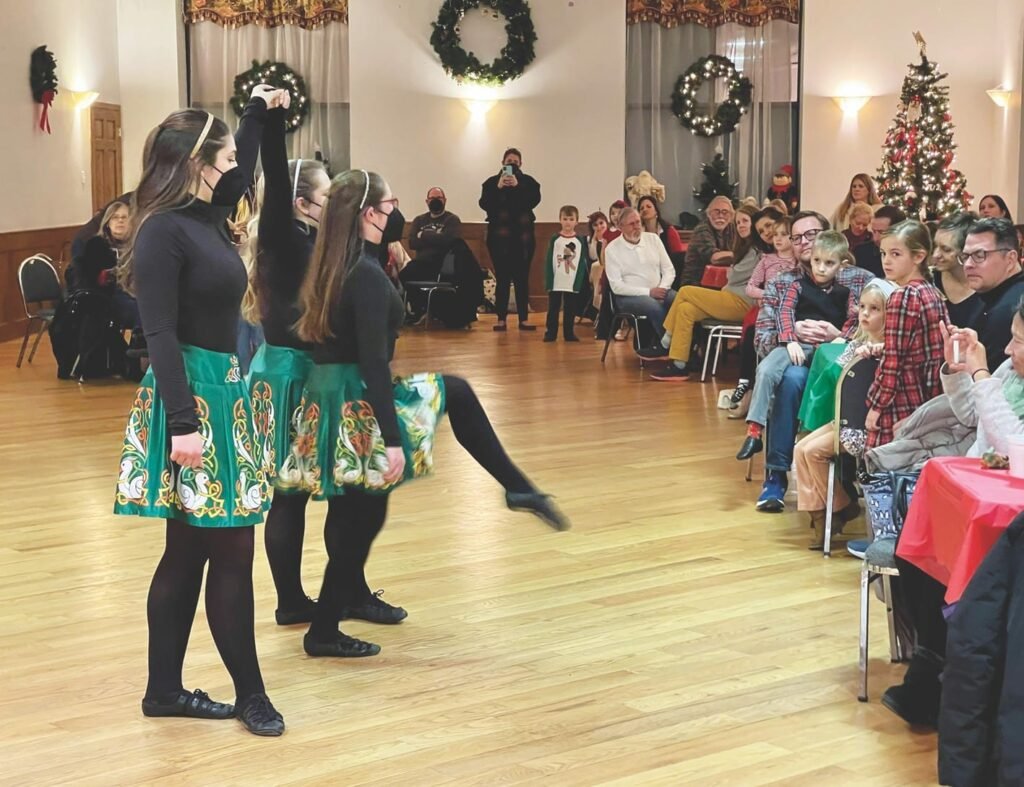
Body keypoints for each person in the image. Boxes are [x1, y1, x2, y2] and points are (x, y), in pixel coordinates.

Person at [286, 169, 569, 659]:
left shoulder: (334, 261)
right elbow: (375, 363)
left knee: (446, 402)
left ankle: (518, 487)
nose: (398, 211)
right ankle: (324, 630)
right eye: (391, 203)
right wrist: (392, 440)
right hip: (357, 397)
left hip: (332, 392)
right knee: (361, 514)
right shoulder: (364, 275)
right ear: (370, 214)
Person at [112, 86, 286, 736]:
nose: (229, 168)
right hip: (191, 400)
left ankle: (163, 690)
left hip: (224, 393)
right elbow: (157, 333)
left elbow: (245, 162)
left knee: (187, 552)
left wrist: (254, 115)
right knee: (232, 551)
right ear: (194, 164)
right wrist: (183, 424)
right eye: (218, 158)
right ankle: (252, 695)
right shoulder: (162, 230)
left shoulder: (209, 212)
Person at [868, 306, 1024, 730]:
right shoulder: (1012, 371)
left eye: (1019, 340)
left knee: (961, 576)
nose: (1009, 349)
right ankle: (933, 666)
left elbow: (1016, 451)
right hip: (977, 497)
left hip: (1009, 521)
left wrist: (982, 376)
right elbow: (974, 419)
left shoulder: (1000, 374)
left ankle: (938, 680)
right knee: (914, 555)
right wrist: (958, 371)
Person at [243, 99, 332, 628]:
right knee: (288, 494)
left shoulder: (305, 235)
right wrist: (273, 122)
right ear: (301, 202)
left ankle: (300, 597)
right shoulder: (282, 230)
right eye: (323, 197)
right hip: (285, 374)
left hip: (301, 367)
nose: (329, 205)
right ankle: (290, 600)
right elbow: (274, 179)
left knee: (297, 492)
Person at [752, 211, 874, 512]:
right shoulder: (782, 282)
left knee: (803, 380)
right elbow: (761, 339)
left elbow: (874, 330)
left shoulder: (861, 279)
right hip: (795, 363)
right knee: (792, 378)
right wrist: (791, 334)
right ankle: (776, 476)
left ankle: (842, 477)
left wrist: (840, 336)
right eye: (797, 237)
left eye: (812, 234)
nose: (805, 242)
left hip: (842, 368)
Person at [793, 279, 895, 548]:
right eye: (862, 306)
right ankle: (825, 514)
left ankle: (837, 508)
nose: (865, 313)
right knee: (800, 449)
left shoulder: (891, 351)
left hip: (866, 428)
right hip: (846, 420)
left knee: (813, 452)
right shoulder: (856, 343)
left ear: (890, 314)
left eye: (874, 309)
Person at [737, 231, 854, 460]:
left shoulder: (846, 292)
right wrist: (789, 339)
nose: (821, 268)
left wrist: (840, 336)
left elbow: (854, 319)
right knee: (766, 369)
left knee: (803, 380)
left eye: (829, 263)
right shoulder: (797, 286)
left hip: (825, 352)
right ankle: (754, 432)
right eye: (817, 261)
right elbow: (784, 311)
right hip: (796, 346)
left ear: (841, 265)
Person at [644, 204, 762, 380]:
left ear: (755, 223)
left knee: (685, 291)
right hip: (731, 298)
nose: (741, 226)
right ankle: (679, 365)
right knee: (685, 309)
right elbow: (734, 274)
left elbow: (734, 276)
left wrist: (732, 270)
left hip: (742, 302)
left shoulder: (756, 249)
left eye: (745, 221)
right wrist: (732, 270)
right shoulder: (745, 247)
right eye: (738, 223)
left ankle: (665, 341)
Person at [866, 220, 948, 448]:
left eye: (895, 254)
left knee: (883, 468)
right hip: (927, 393)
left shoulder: (903, 296)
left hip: (902, 393)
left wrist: (877, 405)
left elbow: (893, 358)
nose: (886, 261)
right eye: (883, 253)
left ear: (919, 256)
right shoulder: (932, 292)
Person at [729, 212, 792, 414]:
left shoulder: (799, 263)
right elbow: (750, 287)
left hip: (789, 313)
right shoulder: (766, 260)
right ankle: (744, 383)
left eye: (784, 234)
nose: (777, 238)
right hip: (768, 311)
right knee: (751, 334)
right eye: (776, 235)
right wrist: (769, 294)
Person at [479, 148, 542, 331]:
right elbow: (484, 204)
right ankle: (501, 319)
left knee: (522, 278)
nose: (512, 163)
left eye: (515, 160)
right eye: (509, 160)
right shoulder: (490, 183)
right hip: (499, 239)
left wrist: (518, 186)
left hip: (523, 239)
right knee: (503, 278)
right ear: (502, 162)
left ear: (521, 164)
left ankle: (523, 318)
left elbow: (533, 201)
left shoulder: (530, 183)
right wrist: (498, 188)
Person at [603, 207, 677, 350]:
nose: (637, 227)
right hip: (627, 297)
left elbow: (669, 270)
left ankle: (689, 345)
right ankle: (670, 347)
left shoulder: (653, 239)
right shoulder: (612, 249)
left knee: (680, 300)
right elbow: (617, 287)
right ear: (620, 227)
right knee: (653, 306)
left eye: (638, 222)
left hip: (660, 289)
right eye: (632, 224)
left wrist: (662, 288)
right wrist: (649, 292)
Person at [960, 216, 1024, 371]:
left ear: (1010, 259)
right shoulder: (988, 293)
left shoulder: (1012, 307)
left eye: (979, 255)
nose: (968, 265)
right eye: (965, 256)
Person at [68, 200, 141, 332]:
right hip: (106, 298)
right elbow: (92, 281)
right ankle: (139, 345)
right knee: (140, 311)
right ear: (108, 223)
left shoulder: (138, 245)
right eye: (115, 217)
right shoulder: (97, 245)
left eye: (124, 217)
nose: (120, 221)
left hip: (135, 293)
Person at [543, 205, 588, 342]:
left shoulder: (579, 241)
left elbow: (581, 262)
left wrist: (579, 280)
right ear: (560, 220)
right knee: (553, 308)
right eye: (565, 219)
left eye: (571, 219)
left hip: (571, 281)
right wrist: (549, 280)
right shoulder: (555, 239)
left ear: (576, 221)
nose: (568, 222)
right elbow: (549, 260)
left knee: (570, 308)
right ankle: (551, 333)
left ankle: (569, 333)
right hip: (557, 280)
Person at [931, 212, 981, 329]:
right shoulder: (930, 280)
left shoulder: (985, 288)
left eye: (946, 249)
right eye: (935, 246)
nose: (935, 254)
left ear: (966, 252)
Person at [679, 196, 736, 286]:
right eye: (716, 212)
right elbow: (715, 258)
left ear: (731, 216)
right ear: (708, 214)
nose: (720, 216)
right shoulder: (702, 230)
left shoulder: (732, 228)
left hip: (721, 281)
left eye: (725, 212)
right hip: (696, 284)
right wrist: (741, 254)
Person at [637, 195, 685, 285]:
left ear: (656, 211)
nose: (645, 210)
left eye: (649, 206)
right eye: (641, 208)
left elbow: (677, 257)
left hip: (667, 272)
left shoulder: (669, 231)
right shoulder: (638, 233)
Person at [853, 205, 906, 278]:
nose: (876, 238)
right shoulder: (860, 252)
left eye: (882, 232)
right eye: (874, 231)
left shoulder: (909, 256)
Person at [408, 186, 462, 254]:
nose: (436, 201)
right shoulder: (419, 220)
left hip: (444, 262)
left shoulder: (452, 219)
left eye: (439, 198)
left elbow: (448, 241)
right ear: (427, 201)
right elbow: (412, 243)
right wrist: (438, 237)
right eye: (432, 198)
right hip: (421, 262)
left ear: (445, 200)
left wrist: (422, 234)